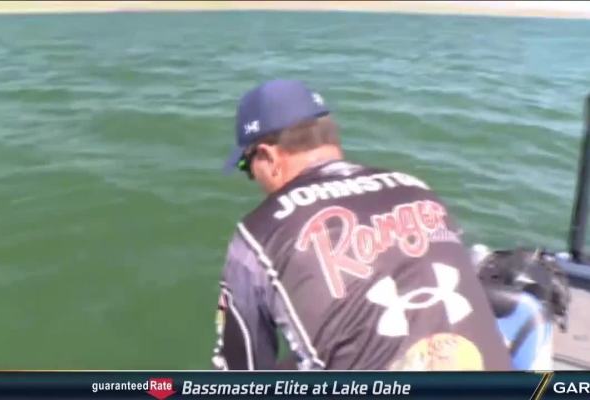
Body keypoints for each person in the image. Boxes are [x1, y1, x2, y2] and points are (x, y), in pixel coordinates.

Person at [212, 79, 512, 370]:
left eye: (247, 166)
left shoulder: (257, 235)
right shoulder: (418, 189)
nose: (252, 178)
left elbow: (239, 374)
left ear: (268, 156)